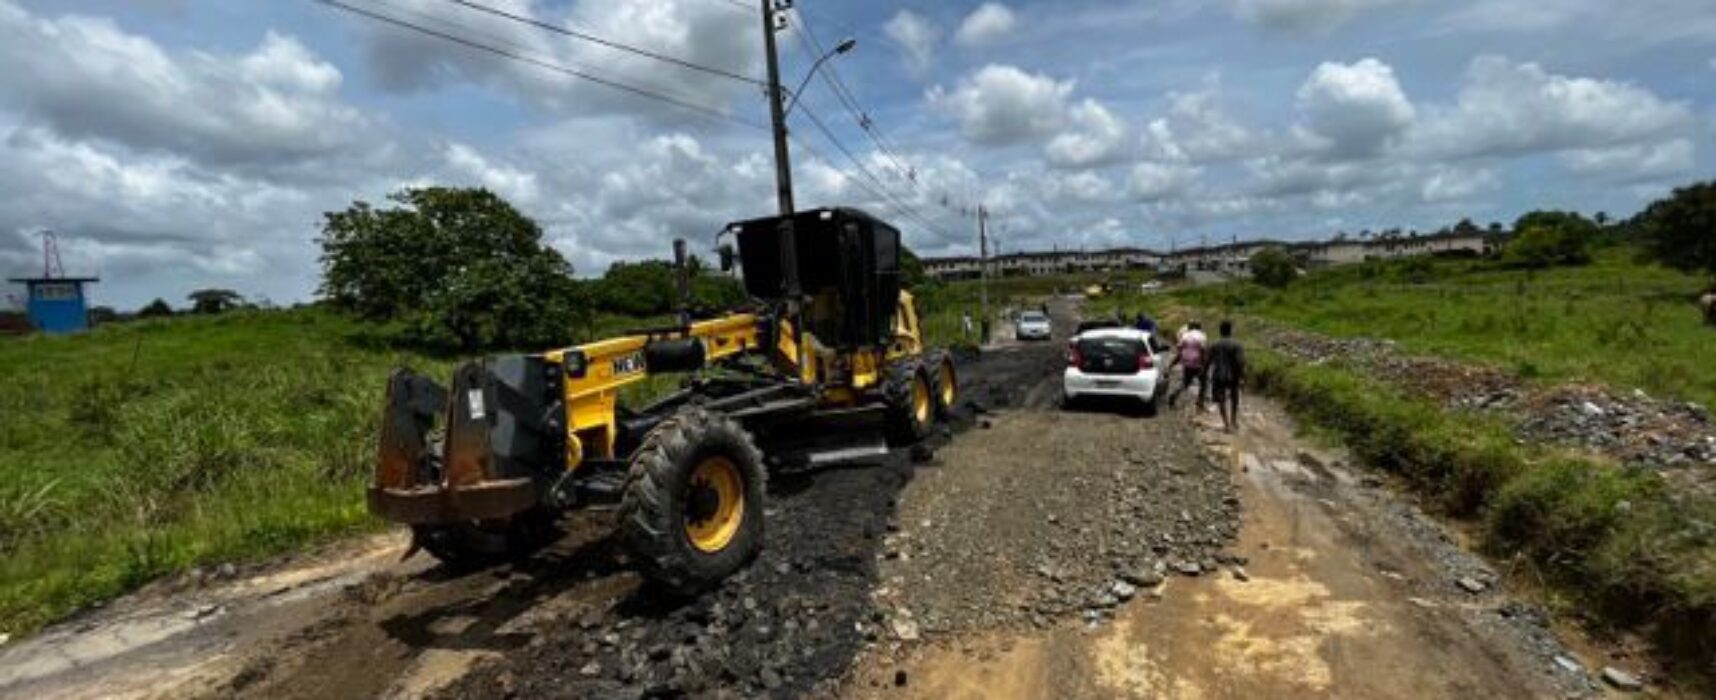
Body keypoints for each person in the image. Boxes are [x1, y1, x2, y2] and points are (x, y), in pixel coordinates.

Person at [1207, 320, 1246, 432]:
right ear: (1231, 330)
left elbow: (1208, 361)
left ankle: (1226, 424)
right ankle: (1233, 420)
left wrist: (1204, 372)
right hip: (1233, 375)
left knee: (1221, 399)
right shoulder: (1237, 344)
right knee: (1234, 397)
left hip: (1218, 375)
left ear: (1220, 331)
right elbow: (1240, 362)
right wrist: (1242, 377)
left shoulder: (1214, 344)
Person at [1167, 321, 1208, 411]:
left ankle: (1173, 396)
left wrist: (1172, 364)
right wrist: (1204, 365)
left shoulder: (1185, 336)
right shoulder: (1202, 336)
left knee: (1185, 383)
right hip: (1198, 364)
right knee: (1204, 384)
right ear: (1199, 327)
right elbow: (1203, 351)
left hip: (1187, 364)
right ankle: (1200, 404)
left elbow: (1179, 352)